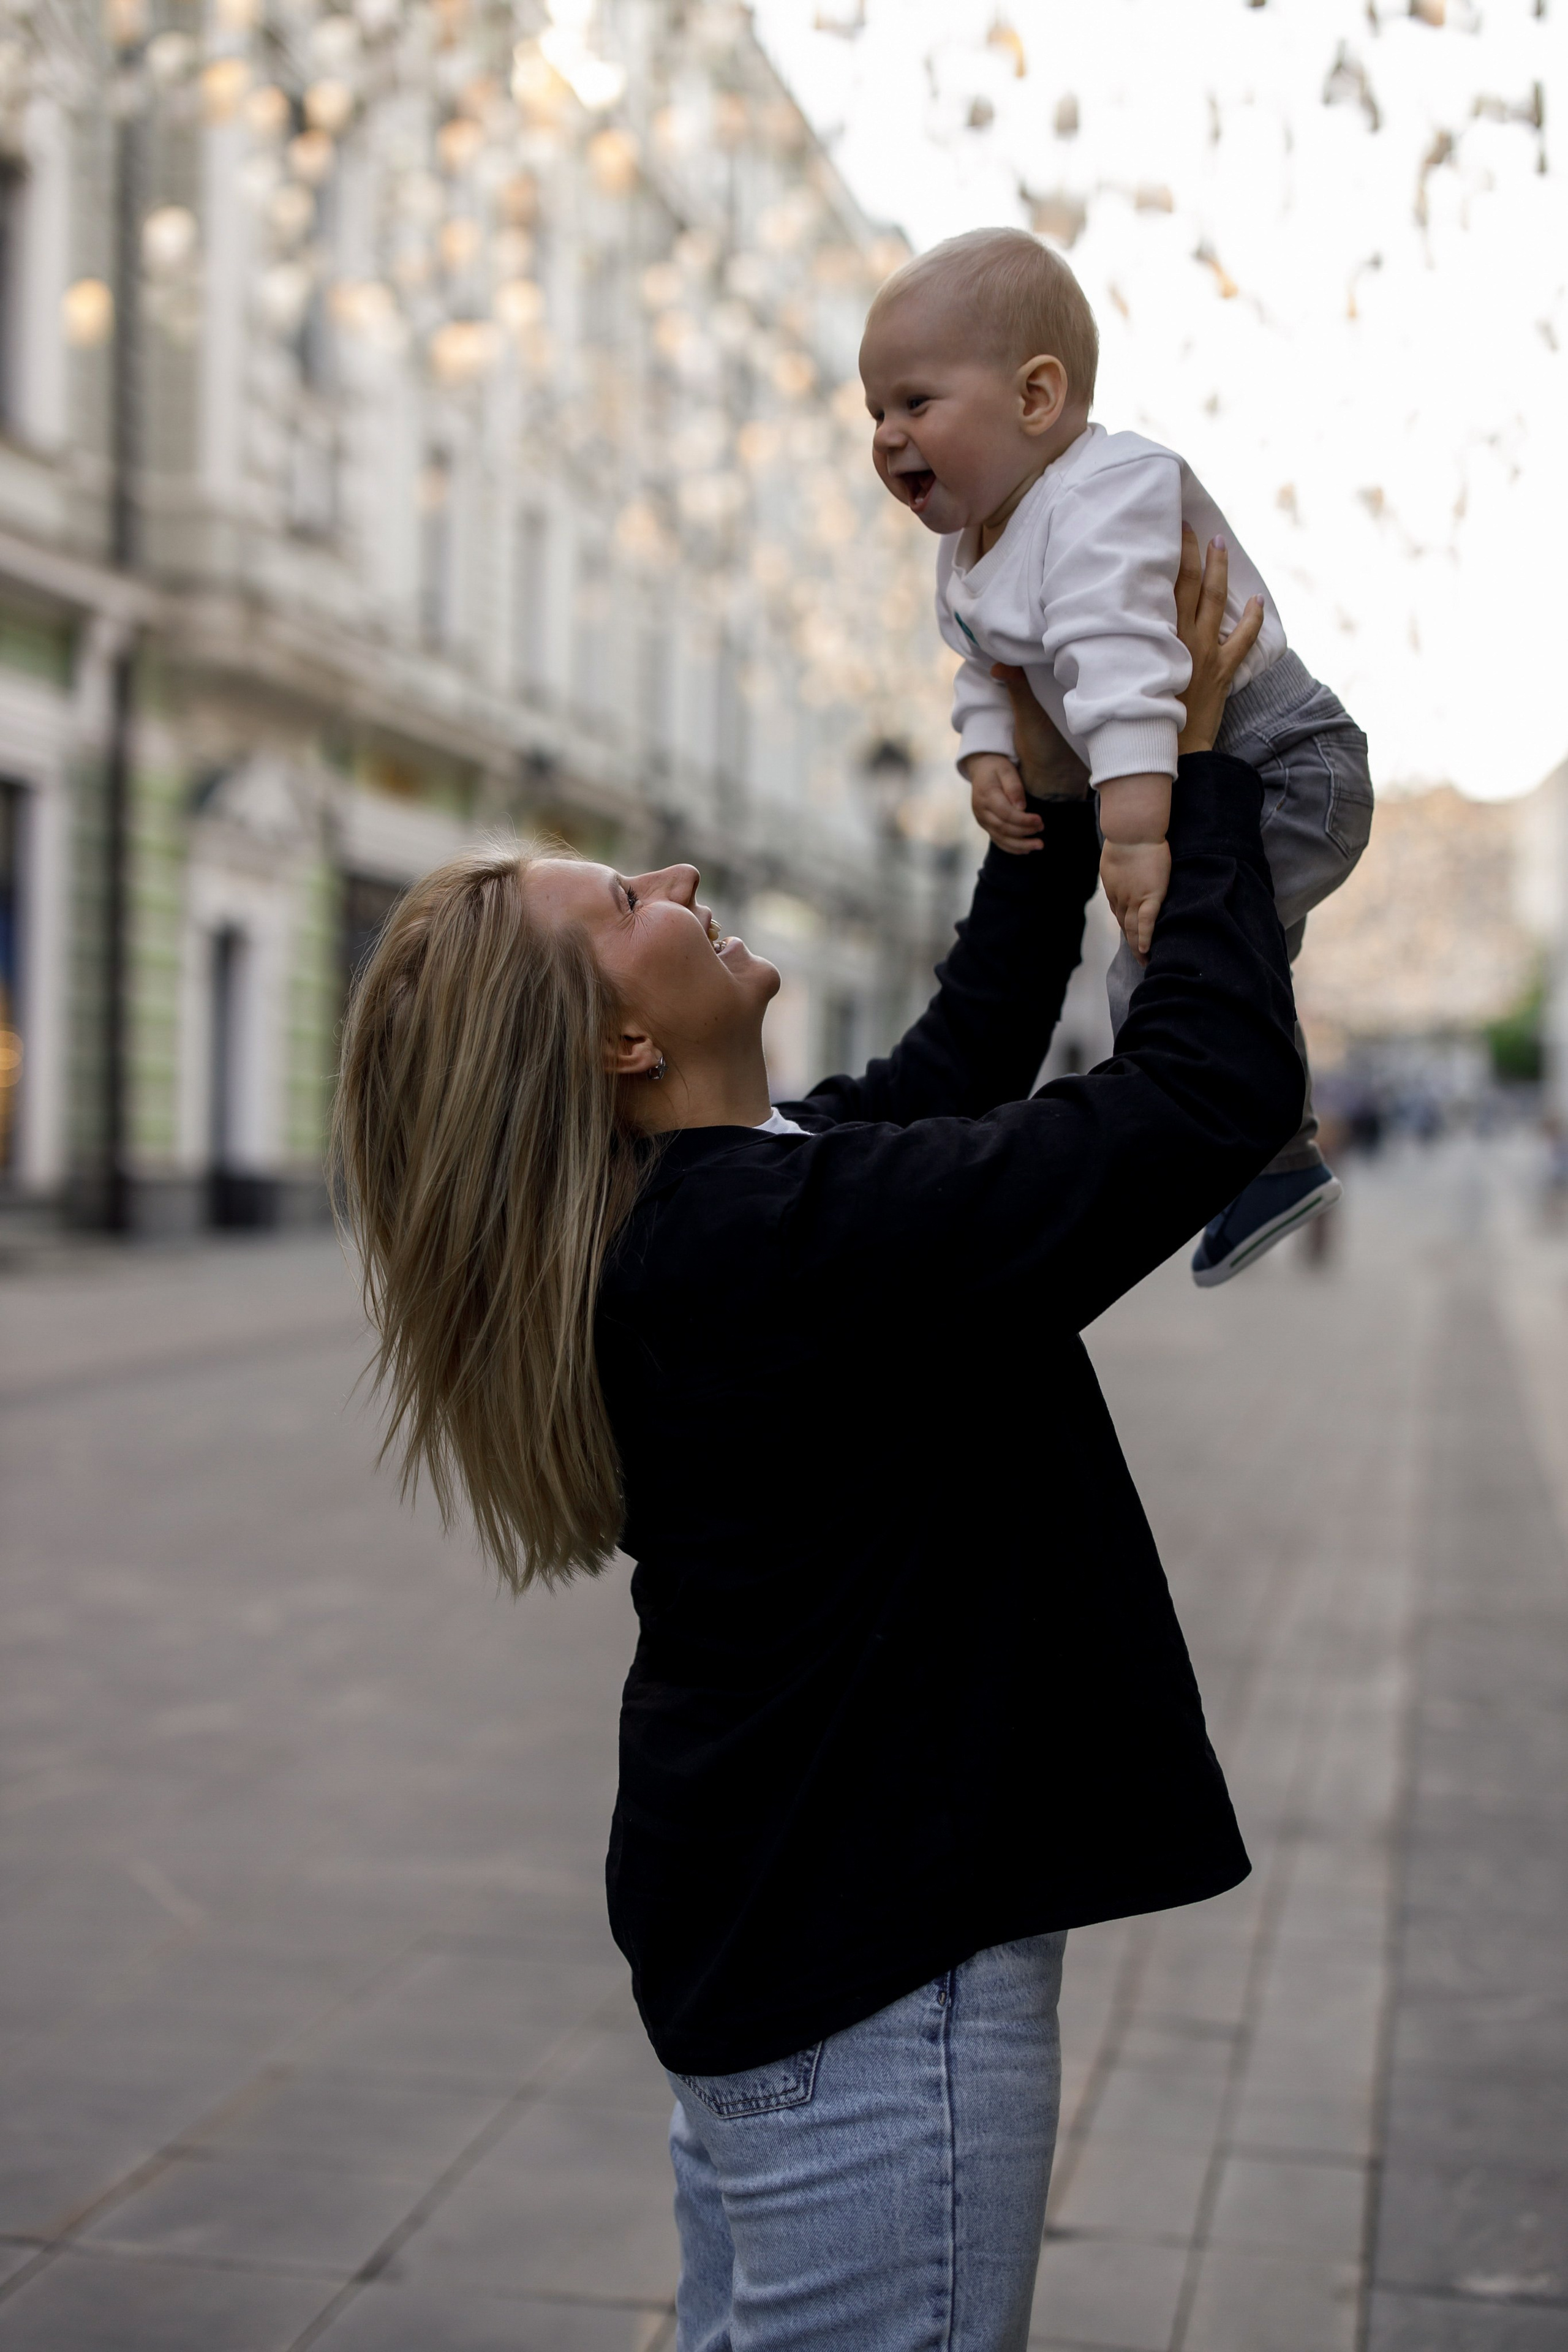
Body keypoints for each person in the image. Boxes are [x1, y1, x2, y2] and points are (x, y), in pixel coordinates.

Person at [332, 541, 1301, 2352]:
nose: (679, 875)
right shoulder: (758, 1252)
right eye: (628, 898)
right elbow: (1202, 1102)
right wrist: (1204, 760)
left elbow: (962, 1058)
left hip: (794, 1947)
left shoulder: (737, 1208)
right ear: (623, 1036)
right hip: (874, 1991)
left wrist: (1056, 808)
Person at [859, 224, 1375, 1285]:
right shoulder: (974, 550)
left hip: (1284, 761)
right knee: (1195, 963)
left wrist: (1135, 839)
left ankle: (1270, 1167)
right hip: (1194, 778)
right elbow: (985, 667)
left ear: (1036, 400)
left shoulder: (1100, 497)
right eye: (874, 412)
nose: (886, 436)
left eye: (915, 403)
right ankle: (1275, 1160)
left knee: (1163, 966)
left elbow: (1133, 675)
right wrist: (985, 757)